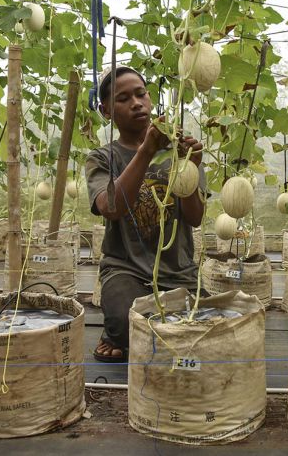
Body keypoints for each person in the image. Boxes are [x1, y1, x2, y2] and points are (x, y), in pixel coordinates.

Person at [85, 67, 205, 362]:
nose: (136, 103)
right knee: (130, 325)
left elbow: (195, 218)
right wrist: (147, 151)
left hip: (178, 271)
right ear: (107, 110)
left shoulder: (182, 150)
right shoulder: (102, 158)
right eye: (123, 98)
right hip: (126, 271)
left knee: (201, 331)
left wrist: (188, 168)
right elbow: (111, 208)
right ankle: (115, 328)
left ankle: (123, 330)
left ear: (150, 99)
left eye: (141, 94)